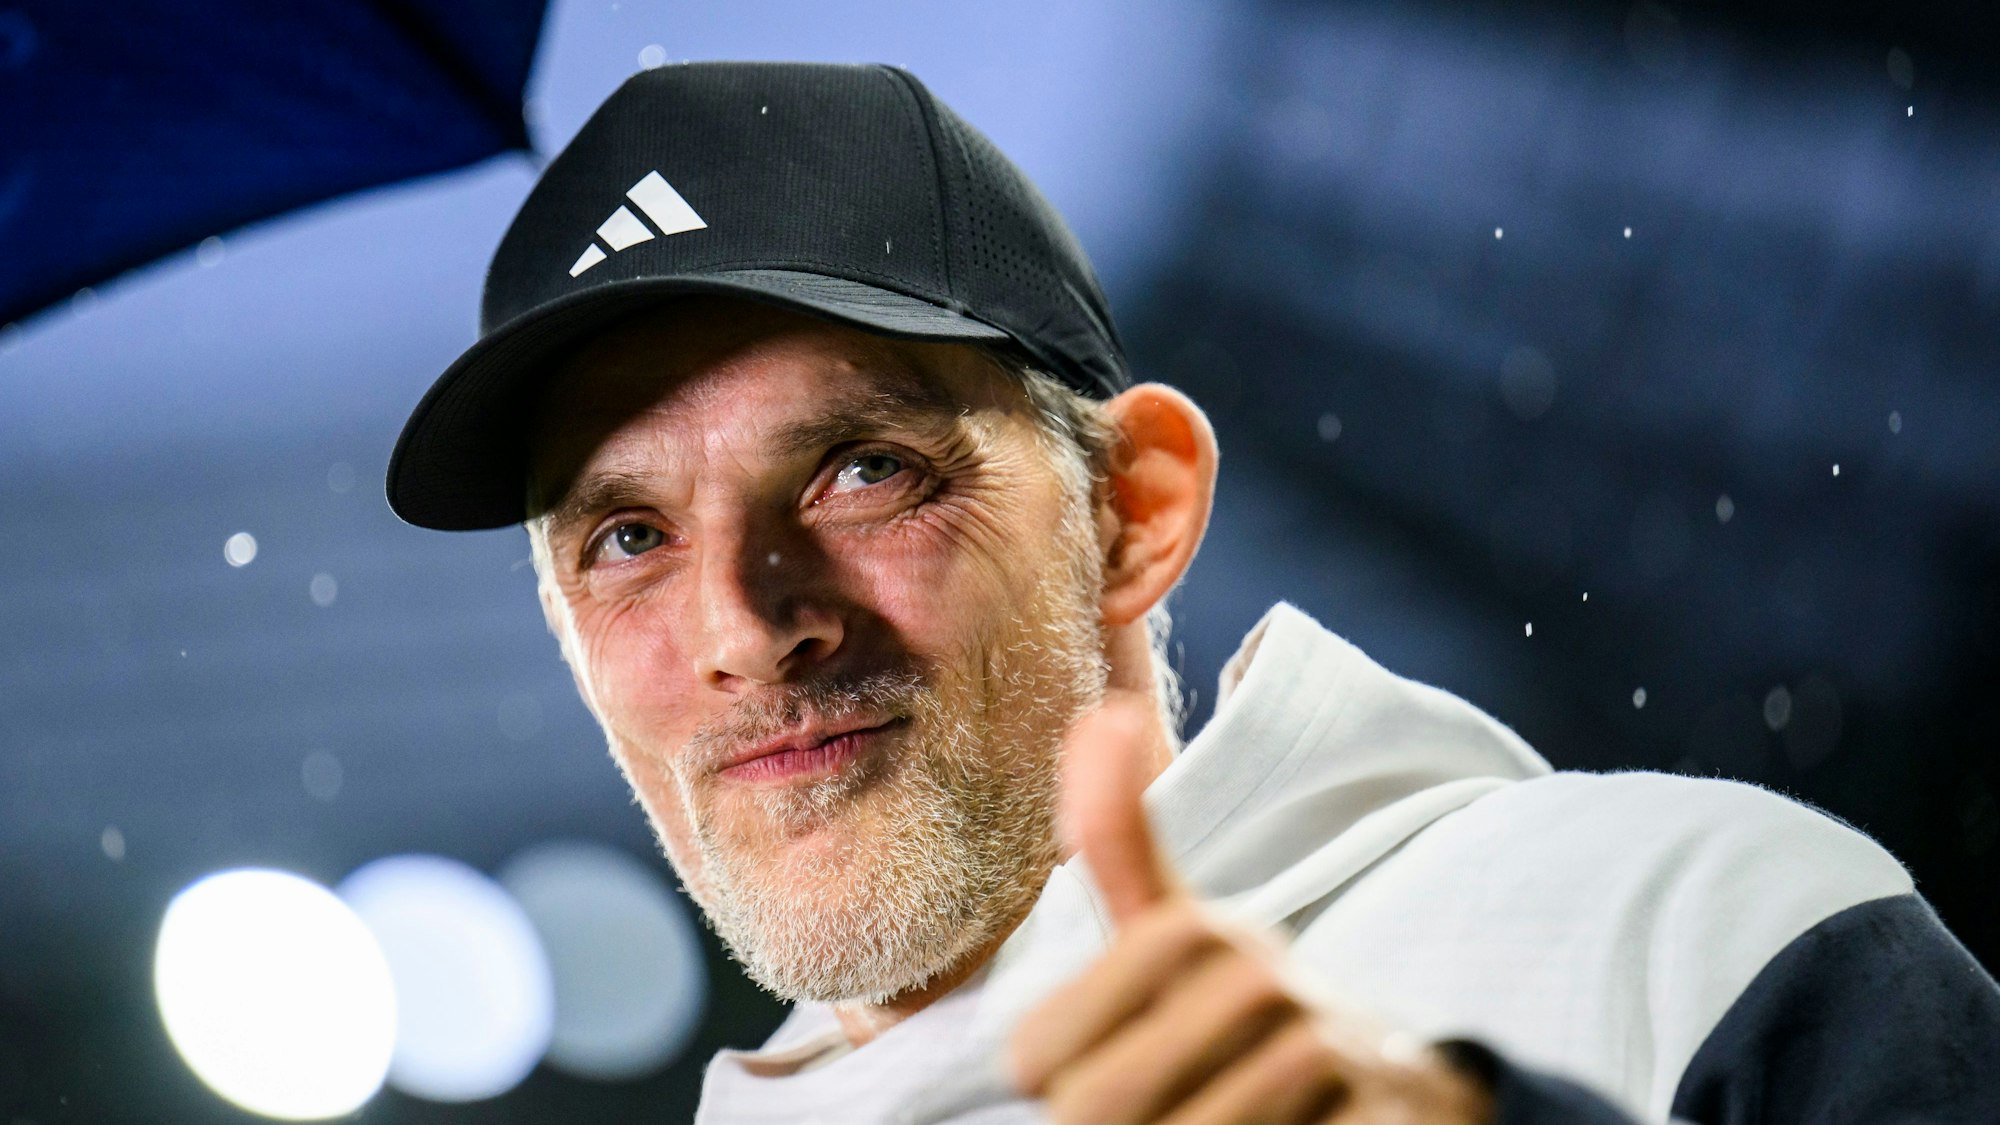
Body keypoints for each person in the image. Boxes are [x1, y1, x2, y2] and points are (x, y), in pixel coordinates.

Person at [386, 62, 2000, 1123]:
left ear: (1135, 513)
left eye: (862, 470)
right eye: (624, 538)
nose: (747, 626)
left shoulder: (1688, 926)